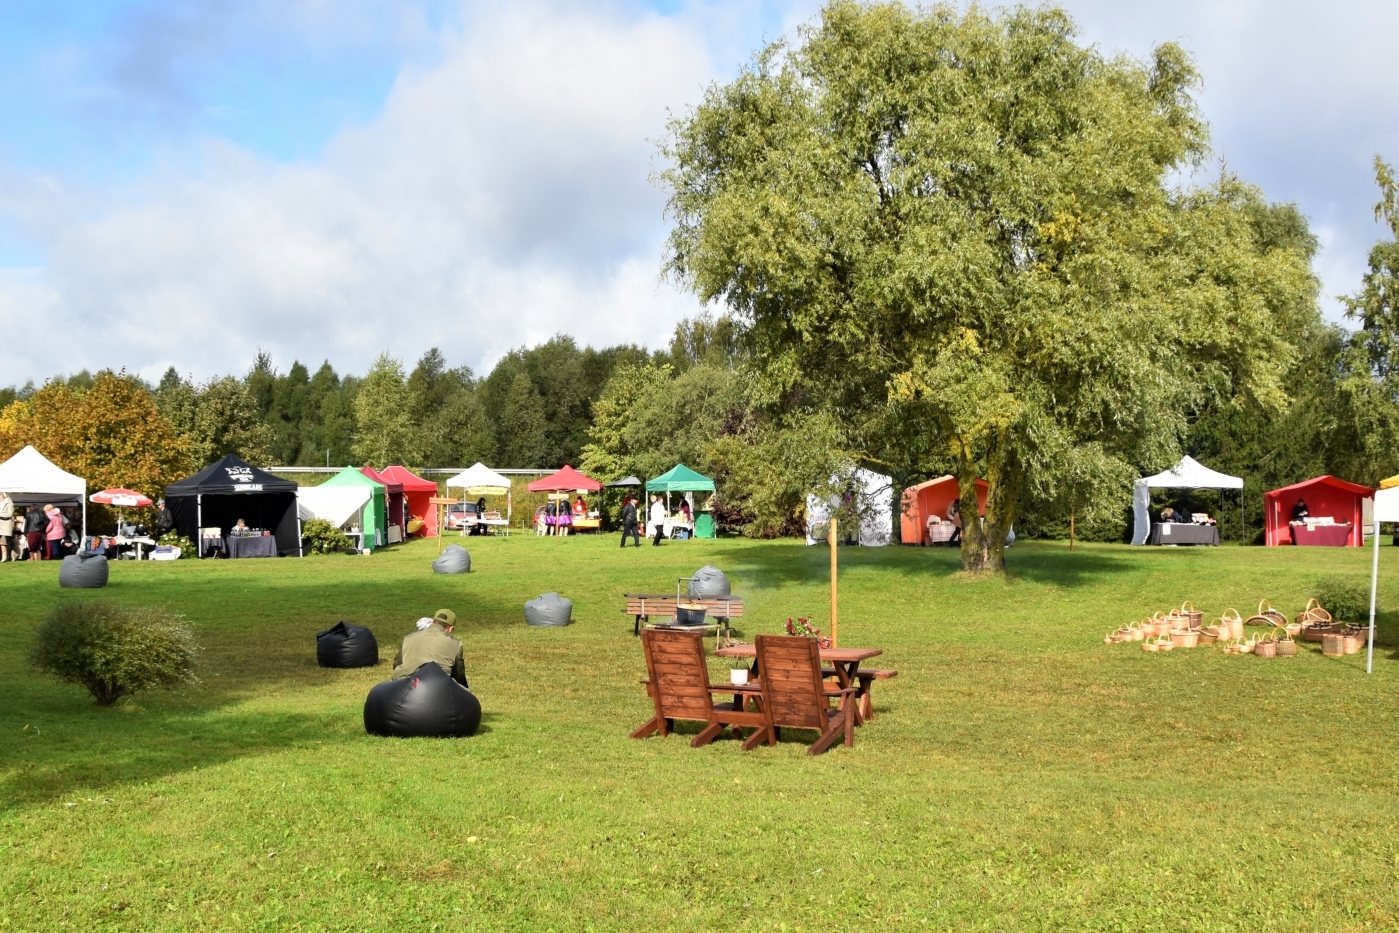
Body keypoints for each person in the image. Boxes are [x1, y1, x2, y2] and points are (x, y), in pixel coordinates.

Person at [393, 609, 467, 687]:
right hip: (436, 689)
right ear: (451, 629)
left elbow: (397, 664)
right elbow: (459, 676)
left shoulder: (409, 638)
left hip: (403, 686)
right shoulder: (455, 644)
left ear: (432, 622)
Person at [0, 491, 12, 562]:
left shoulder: (9, 503)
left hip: (6, 523)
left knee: (6, 541)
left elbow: (9, 514)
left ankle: (8, 557)